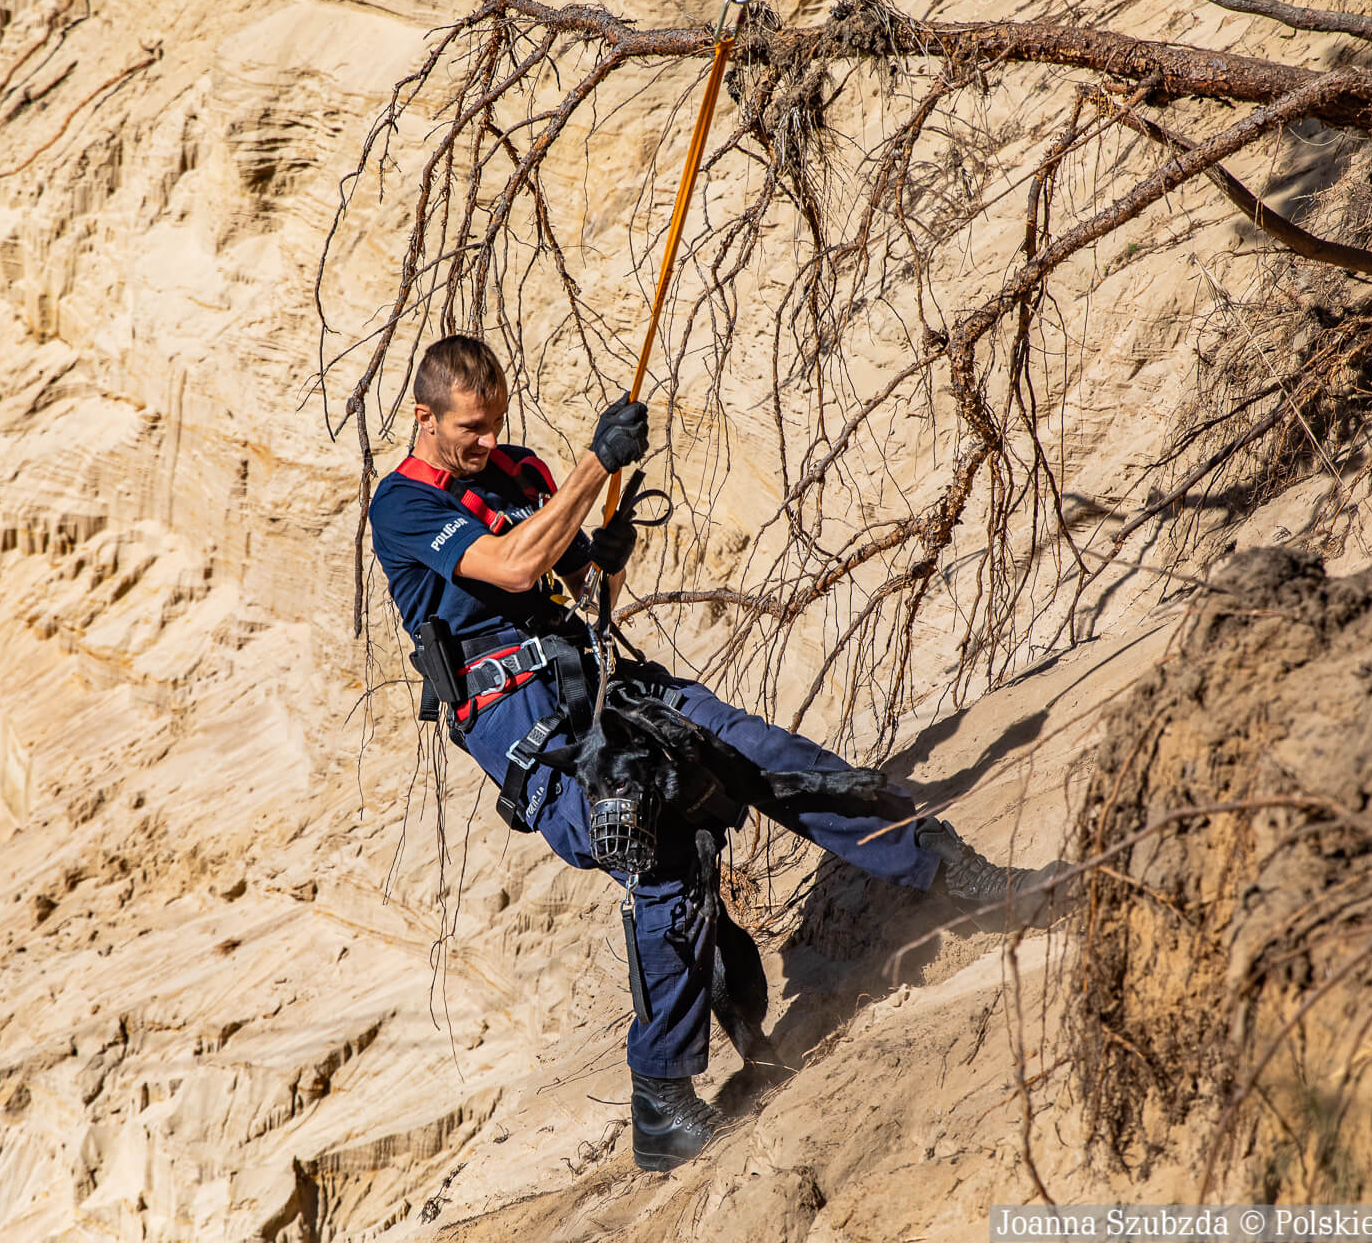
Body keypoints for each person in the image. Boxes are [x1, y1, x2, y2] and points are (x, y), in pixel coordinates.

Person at [367, 335, 1067, 1172]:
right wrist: (595, 463)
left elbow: (577, 587)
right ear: (425, 416)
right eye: (471, 429)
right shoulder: (403, 504)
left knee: (758, 750)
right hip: (526, 723)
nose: (488, 441)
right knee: (656, 850)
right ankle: (661, 1102)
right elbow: (516, 567)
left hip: (601, 679)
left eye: (496, 423)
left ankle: (956, 875)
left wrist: (606, 556)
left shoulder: (520, 473)